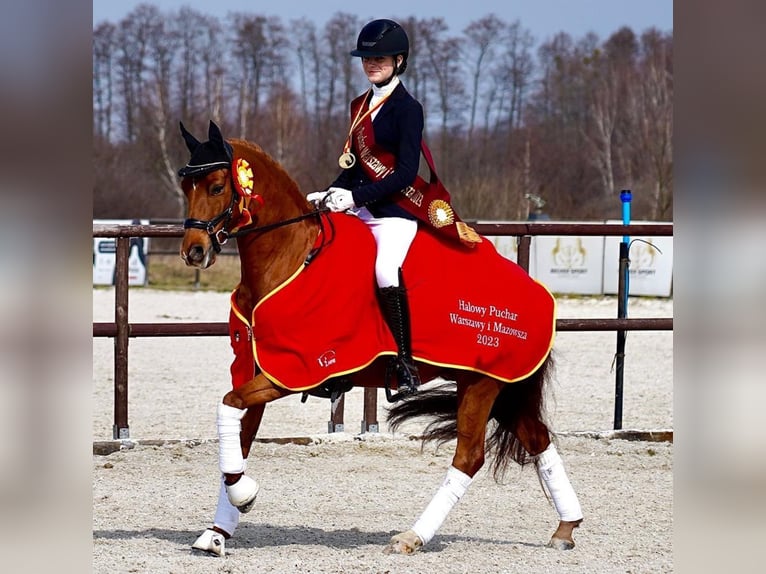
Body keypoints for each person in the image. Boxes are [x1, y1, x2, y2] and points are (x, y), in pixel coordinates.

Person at [307, 19, 480, 399]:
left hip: (396, 214)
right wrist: (331, 192)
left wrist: (354, 199)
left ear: (399, 61)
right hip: (363, 208)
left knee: (385, 269)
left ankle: (404, 364)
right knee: (327, 262)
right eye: (366, 58)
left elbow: (404, 173)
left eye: (379, 58)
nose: (371, 64)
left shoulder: (407, 108)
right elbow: (353, 165)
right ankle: (334, 363)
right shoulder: (359, 106)